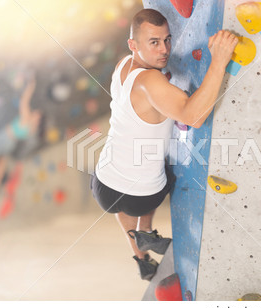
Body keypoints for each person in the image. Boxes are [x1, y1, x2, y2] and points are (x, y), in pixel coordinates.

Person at [91, 9, 238, 280]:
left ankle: (142, 258)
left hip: (103, 186)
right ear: (133, 45)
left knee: (123, 196)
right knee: (167, 171)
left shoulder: (123, 65)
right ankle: (145, 230)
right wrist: (219, 60)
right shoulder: (151, 81)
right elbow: (194, 116)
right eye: (154, 42)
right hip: (142, 197)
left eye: (167, 40)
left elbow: (145, 96)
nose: (165, 49)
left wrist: (160, 91)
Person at [0, 77, 43, 196]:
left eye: (37, 114)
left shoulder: (26, 119)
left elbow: (24, 101)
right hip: (11, 143)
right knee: (1, 160)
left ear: (37, 120)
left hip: (4, 138)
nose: (35, 112)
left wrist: (31, 86)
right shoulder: (33, 130)